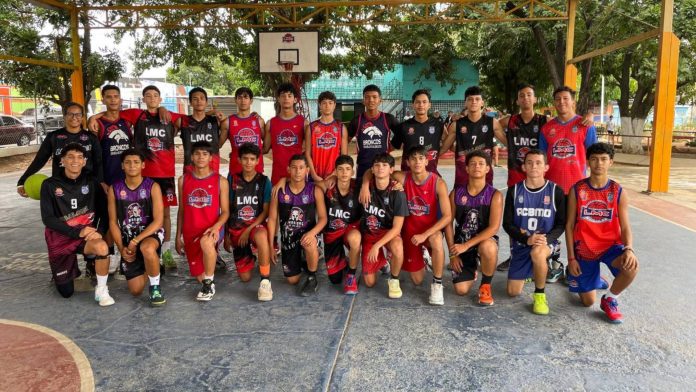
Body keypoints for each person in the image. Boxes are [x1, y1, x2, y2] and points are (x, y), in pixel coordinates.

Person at [364, 146, 451, 305]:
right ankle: (422, 257)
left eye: (420, 158)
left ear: (427, 160)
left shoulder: (438, 183)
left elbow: (447, 217)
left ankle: (437, 284)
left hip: (429, 232)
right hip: (409, 235)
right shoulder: (402, 177)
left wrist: (425, 235)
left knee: (437, 239)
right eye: (413, 159)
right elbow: (376, 170)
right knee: (417, 280)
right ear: (408, 162)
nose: (417, 162)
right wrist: (364, 185)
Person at [565, 143, 639, 324]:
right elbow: (569, 225)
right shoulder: (577, 189)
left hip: (610, 246)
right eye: (594, 159)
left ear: (611, 162)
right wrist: (571, 259)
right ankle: (591, 278)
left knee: (631, 267)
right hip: (584, 249)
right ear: (588, 162)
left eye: (604, 159)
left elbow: (625, 225)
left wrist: (629, 248)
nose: (599, 163)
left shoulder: (618, 191)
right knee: (587, 302)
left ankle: (610, 299)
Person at [40, 143, 113, 305]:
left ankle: (101, 291)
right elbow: (48, 219)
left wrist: (99, 231)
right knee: (66, 293)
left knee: (102, 247)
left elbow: (105, 212)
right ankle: (64, 269)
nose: (75, 161)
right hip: (60, 237)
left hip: (86, 235)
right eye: (70, 157)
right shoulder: (50, 185)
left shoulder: (92, 182)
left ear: (84, 162)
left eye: (80, 157)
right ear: (62, 161)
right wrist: (75, 232)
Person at [539, 86, 598, 282]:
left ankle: (579, 267)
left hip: (578, 189)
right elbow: (541, 159)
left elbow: (594, 157)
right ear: (554, 103)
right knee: (552, 228)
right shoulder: (547, 129)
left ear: (573, 101)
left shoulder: (586, 126)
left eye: (566, 98)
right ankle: (555, 265)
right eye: (558, 99)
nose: (561, 102)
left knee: (578, 230)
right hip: (552, 189)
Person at [502, 148, 565, 315]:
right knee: (512, 292)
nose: (534, 166)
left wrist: (547, 238)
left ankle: (539, 295)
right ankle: (533, 270)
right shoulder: (514, 191)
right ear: (524, 167)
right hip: (522, 243)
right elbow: (507, 224)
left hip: (544, 242)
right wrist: (526, 239)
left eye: (538, 163)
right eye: (529, 163)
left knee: (537, 253)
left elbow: (561, 224)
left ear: (546, 167)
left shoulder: (555, 191)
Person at [107, 149, 166, 306]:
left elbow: (159, 221)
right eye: (127, 162)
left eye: (136, 162)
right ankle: (152, 265)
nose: (132, 165)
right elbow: (113, 222)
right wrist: (121, 249)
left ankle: (155, 288)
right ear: (122, 166)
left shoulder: (152, 187)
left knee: (147, 248)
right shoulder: (114, 189)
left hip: (151, 233)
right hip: (128, 237)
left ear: (143, 165)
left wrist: (136, 241)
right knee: (136, 290)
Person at [445, 150, 503, 306]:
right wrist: (452, 253)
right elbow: (448, 224)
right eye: (472, 164)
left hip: (482, 241)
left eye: (481, 164)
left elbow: (493, 228)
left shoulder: (495, 195)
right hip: (461, 243)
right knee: (461, 290)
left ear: (487, 169)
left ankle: (485, 285)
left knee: (488, 247)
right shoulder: (456, 193)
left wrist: (467, 245)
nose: (477, 166)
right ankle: (473, 267)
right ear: (467, 169)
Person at [175, 142, 230, 301]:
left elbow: (225, 212)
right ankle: (207, 279)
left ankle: (208, 283)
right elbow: (182, 211)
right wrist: (178, 237)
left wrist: (216, 227)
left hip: (212, 228)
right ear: (191, 157)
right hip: (190, 231)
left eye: (205, 154)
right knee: (199, 274)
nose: (201, 157)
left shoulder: (221, 181)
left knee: (206, 244)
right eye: (197, 154)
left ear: (210, 158)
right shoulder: (182, 180)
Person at [267, 154, 327, 296]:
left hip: (308, 236)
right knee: (292, 280)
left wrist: (312, 233)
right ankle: (304, 259)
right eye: (294, 168)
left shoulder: (314, 190)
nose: (297, 171)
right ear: (288, 169)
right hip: (289, 240)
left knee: (310, 243)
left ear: (307, 170)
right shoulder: (279, 191)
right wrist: (271, 246)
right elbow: (272, 219)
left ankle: (312, 275)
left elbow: (323, 218)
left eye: (301, 168)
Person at [18, 102, 103, 197]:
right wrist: (23, 180)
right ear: (64, 116)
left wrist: (101, 182)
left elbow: (98, 163)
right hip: (61, 186)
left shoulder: (91, 138)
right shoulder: (53, 137)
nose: (74, 117)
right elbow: (39, 160)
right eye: (70, 114)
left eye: (78, 114)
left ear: (83, 117)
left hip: (86, 185)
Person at [224, 143, 274, 301]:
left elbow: (265, 211)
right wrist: (226, 235)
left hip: (254, 226)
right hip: (237, 228)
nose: (248, 162)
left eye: (252, 159)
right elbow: (226, 209)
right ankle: (251, 256)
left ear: (258, 160)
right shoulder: (232, 180)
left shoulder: (264, 181)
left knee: (261, 236)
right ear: (238, 160)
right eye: (245, 159)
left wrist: (249, 229)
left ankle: (265, 281)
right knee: (245, 277)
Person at [358, 152, 408, 298]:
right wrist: (364, 184)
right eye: (377, 165)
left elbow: (397, 228)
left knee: (397, 246)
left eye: (385, 165)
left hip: (388, 233)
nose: (380, 168)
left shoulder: (397, 192)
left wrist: (377, 245)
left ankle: (394, 279)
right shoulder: (365, 187)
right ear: (372, 169)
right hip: (370, 233)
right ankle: (383, 261)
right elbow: (343, 179)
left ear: (391, 170)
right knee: (369, 282)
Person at [440, 86, 505, 186]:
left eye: (477, 99)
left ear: (482, 102)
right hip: (463, 177)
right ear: (465, 103)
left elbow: (509, 143)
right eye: (470, 99)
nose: (474, 102)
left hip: (484, 179)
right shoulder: (456, 125)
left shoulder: (492, 123)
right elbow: (444, 148)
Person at [348, 85, 401, 181]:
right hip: (363, 165)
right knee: (363, 193)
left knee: (383, 194)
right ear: (363, 100)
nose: (371, 100)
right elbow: (345, 141)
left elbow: (402, 135)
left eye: (374, 97)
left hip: (383, 166)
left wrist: (390, 147)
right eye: (367, 97)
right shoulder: (357, 121)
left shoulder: (388, 118)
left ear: (380, 100)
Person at [391, 89, 447, 175]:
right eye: (418, 102)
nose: (421, 105)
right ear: (413, 105)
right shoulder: (404, 126)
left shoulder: (439, 125)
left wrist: (436, 153)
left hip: (431, 174)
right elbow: (392, 147)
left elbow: (447, 143)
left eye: (424, 102)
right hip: (408, 176)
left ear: (429, 105)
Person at [263, 83, 309, 185]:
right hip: (278, 174)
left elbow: (309, 150)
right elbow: (265, 149)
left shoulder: (304, 123)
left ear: (295, 99)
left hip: (298, 175)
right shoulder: (271, 123)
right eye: (283, 96)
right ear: (278, 99)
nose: (286, 98)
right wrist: (241, 151)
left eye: (289, 95)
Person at [177, 87, 228, 174]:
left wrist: (218, 116)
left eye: (202, 98)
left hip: (212, 168)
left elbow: (219, 144)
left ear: (206, 102)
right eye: (195, 99)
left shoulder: (216, 121)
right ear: (190, 102)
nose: (199, 101)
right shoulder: (182, 121)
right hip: (190, 168)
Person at [305, 91, 348, 182]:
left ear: (335, 105)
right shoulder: (311, 127)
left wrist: (334, 174)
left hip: (334, 176)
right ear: (319, 105)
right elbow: (307, 154)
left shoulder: (341, 128)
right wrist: (313, 174)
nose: (327, 106)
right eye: (324, 103)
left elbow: (344, 156)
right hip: (315, 176)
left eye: (330, 103)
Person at [226, 87, 265, 175]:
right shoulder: (228, 122)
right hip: (236, 170)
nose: (243, 100)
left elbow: (267, 145)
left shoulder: (259, 121)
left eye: (246, 97)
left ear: (251, 101)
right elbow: (218, 144)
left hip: (256, 170)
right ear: (235, 100)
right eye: (240, 97)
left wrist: (255, 154)